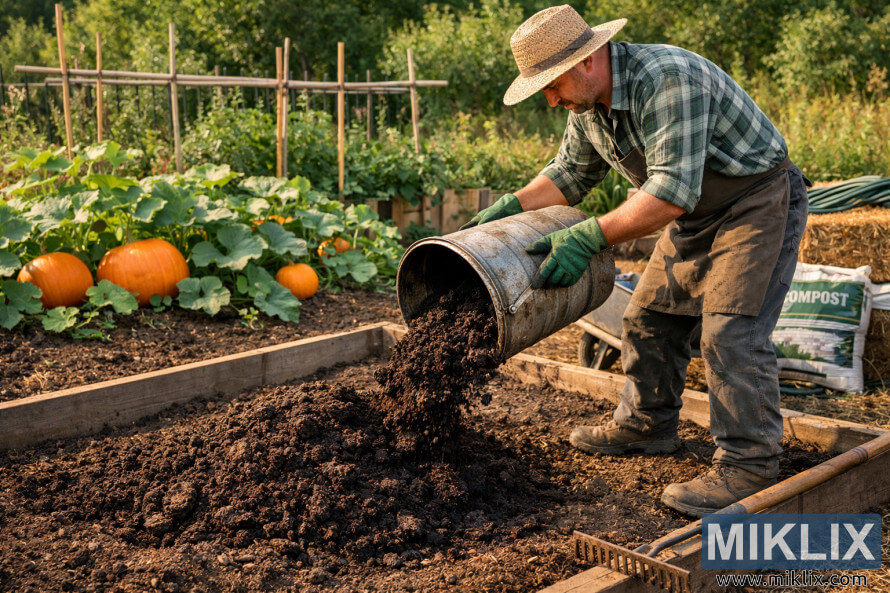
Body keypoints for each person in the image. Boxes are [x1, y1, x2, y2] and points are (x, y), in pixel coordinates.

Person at [461, 4, 810, 517]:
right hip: (696, 214)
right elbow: (568, 175)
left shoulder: (667, 79)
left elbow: (669, 192)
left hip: (754, 201)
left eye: (551, 84)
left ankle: (749, 465)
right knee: (646, 320)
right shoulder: (590, 107)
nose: (551, 99)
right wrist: (506, 210)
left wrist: (587, 237)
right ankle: (648, 425)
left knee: (731, 332)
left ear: (585, 61)